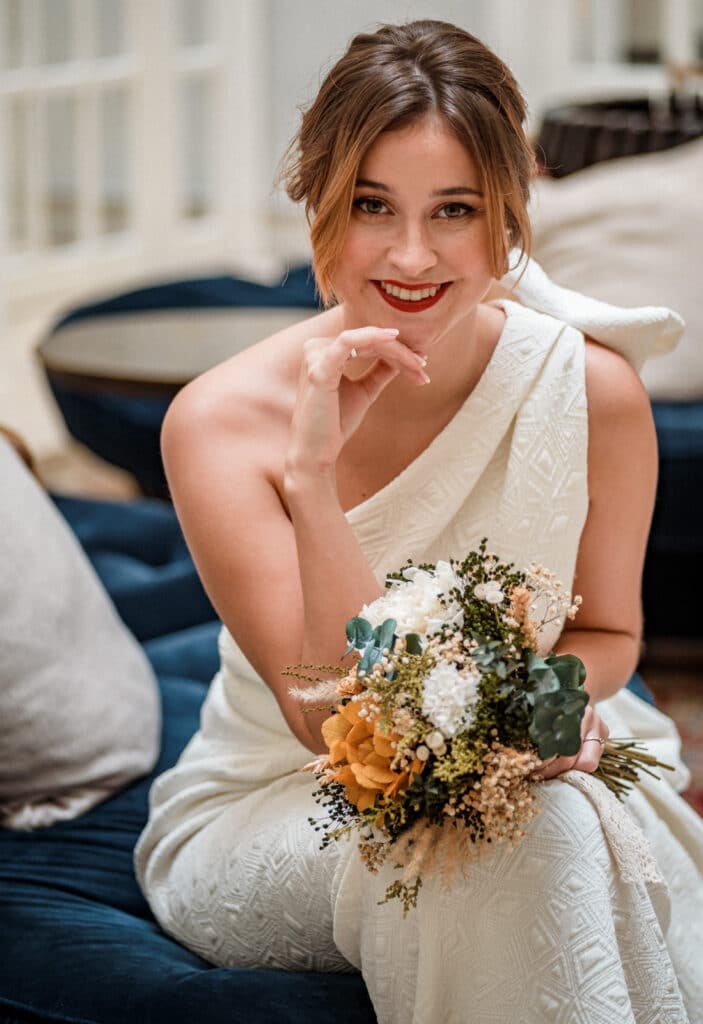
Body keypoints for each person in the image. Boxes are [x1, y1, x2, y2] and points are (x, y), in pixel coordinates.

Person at [135, 20, 703, 1023]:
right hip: (283, 800)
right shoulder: (221, 424)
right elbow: (324, 716)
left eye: (454, 210)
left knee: (545, 815)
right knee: (526, 828)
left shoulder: (596, 393)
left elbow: (611, 634)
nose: (410, 255)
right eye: (370, 206)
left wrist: (542, 709)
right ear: (317, 200)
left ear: (508, 213)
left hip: (553, 771)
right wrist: (310, 480)